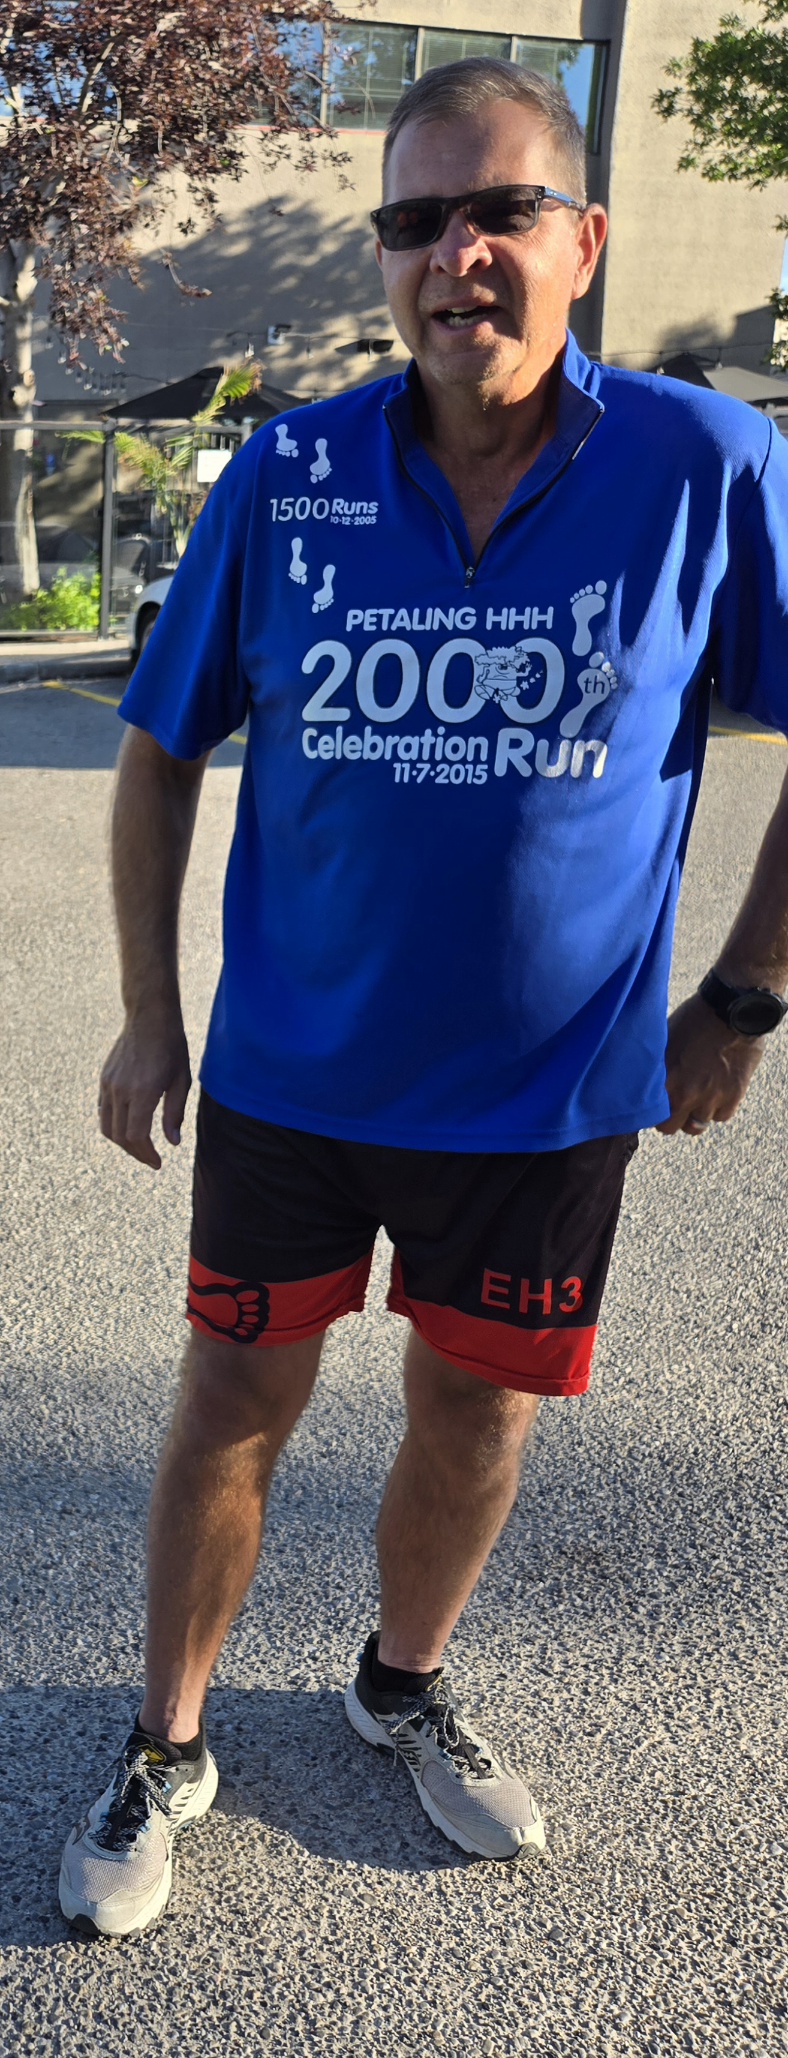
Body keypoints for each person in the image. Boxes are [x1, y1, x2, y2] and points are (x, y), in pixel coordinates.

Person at [60, 57, 788, 1938]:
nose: (454, 253)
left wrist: (742, 998)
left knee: (475, 1415)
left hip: (551, 1099)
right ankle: (165, 1736)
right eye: (413, 221)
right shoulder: (287, 474)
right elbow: (159, 749)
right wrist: (150, 1012)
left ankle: (399, 1684)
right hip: (295, 1082)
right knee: (233, 1398)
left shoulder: (709, 465)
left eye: (499, 212)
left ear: (585, 241)